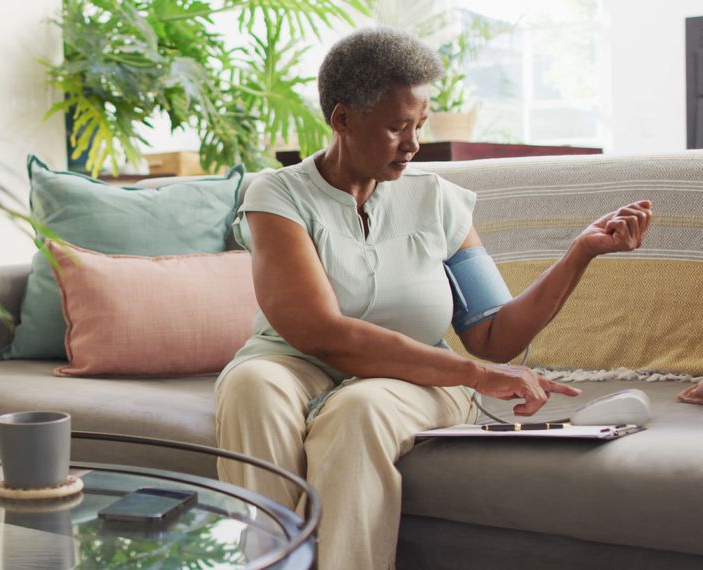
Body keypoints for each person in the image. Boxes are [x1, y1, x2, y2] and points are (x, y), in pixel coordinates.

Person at [214, 27, 652, 569]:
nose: (414, 143)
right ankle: (268, 562)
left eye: (420, 125)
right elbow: (319, 334)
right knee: (253, 385)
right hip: (292, 361)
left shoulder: (438, 201)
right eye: (398, 126)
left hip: (410, 380)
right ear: (343, 119)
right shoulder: (277, 195)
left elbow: (493, 335)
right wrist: (474, 376)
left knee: (360, 406)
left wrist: (581, 253)